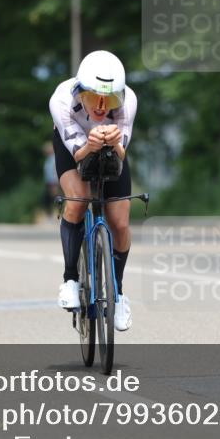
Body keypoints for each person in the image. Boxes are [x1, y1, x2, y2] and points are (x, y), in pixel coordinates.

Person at [48, 50, 137, 331]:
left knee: (120, 222)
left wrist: (113, 142)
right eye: (94, 96)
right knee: (78, 200)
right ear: (80, 91)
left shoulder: (129, 100)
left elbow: (121, 151)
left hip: (110, 149)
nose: (101, 106)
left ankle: (118, 293)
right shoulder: (61, 100)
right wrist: (91, 143)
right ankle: (71, 279)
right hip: (73, 147)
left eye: (109, 99)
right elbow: (78, 153)